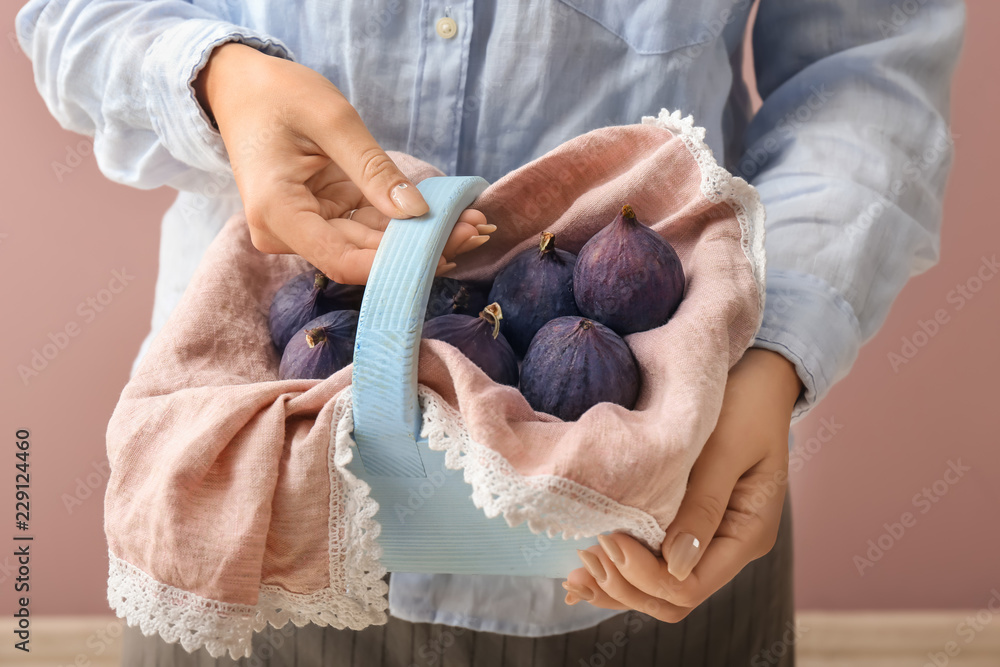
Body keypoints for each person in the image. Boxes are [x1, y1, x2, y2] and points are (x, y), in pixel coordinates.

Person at [15, 0, 964, 664]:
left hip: (651, 514)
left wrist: (773, 353)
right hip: (253, 508)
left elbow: (869, 69)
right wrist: (220, 77)